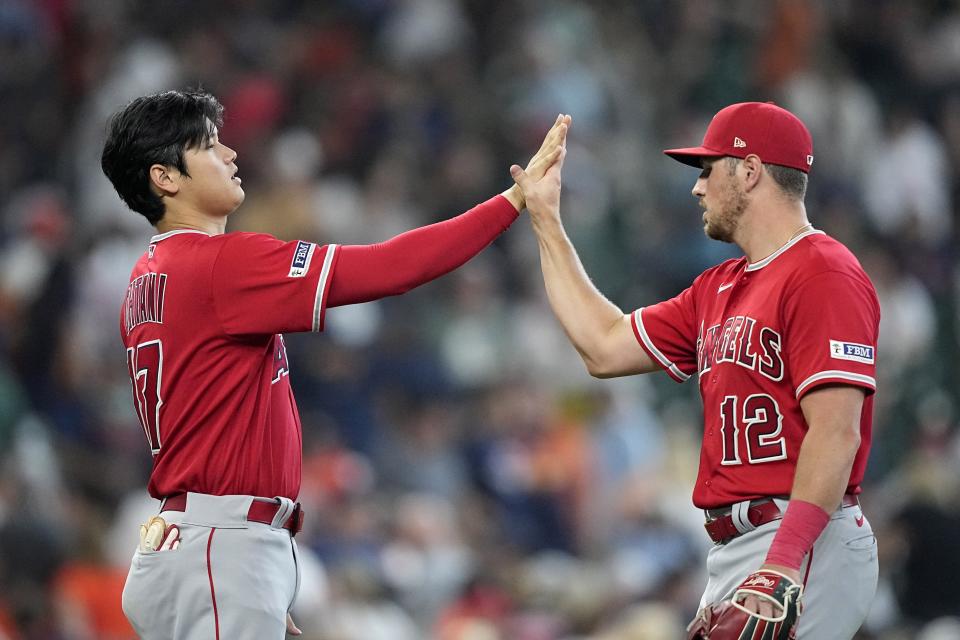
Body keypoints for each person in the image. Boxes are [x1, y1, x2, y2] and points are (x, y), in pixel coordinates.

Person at [100, 88, 568, 639]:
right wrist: (515, 200)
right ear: (166, 177)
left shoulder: (144, 277)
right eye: (208, 146)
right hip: (220, 548)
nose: (230, 155)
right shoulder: (220, 264)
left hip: (187, 542)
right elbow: (390, 267)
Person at [512, 104, 879, 639]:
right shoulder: (719, 287)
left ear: (749, 171)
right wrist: (546, 220)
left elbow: (836, 430)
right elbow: (604, 347)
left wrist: (781, 562)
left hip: (804, 541)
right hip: (740, 547)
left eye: (708, 169)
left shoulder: (823, 272)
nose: (697, 188)